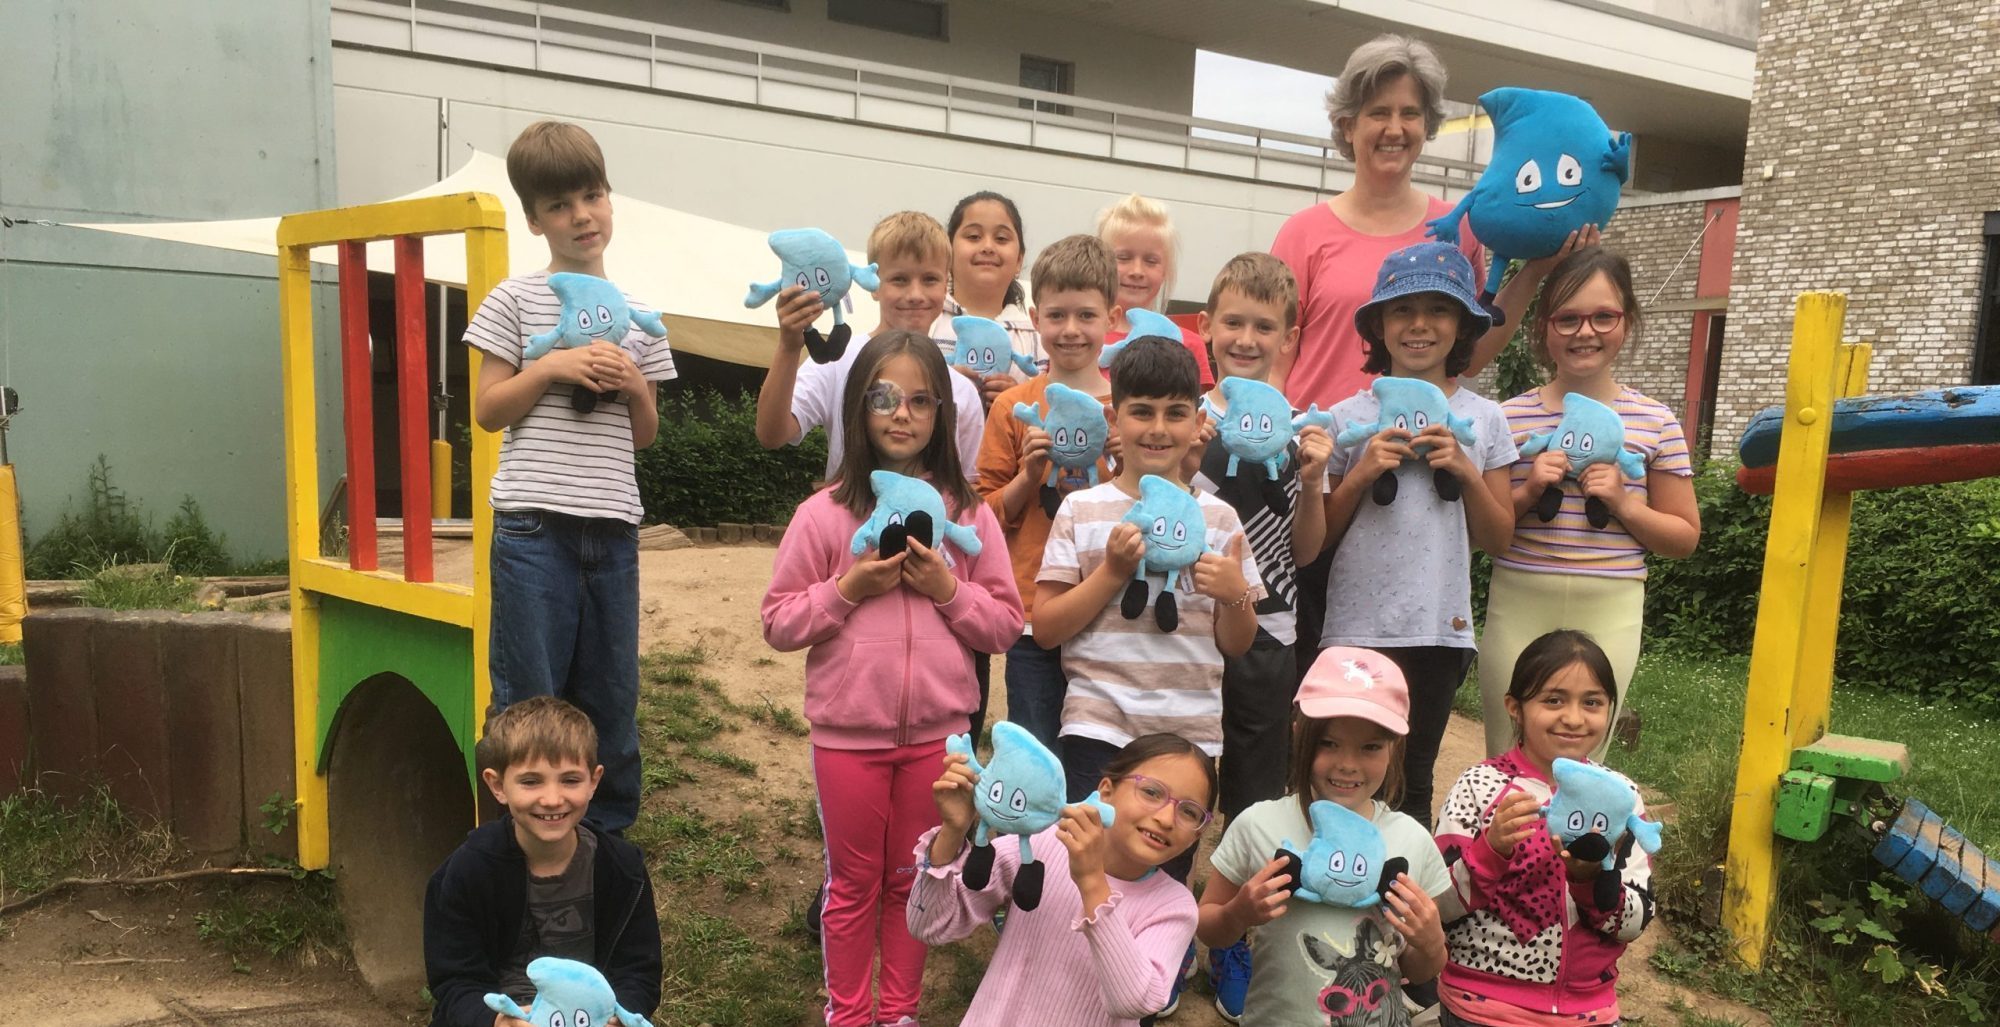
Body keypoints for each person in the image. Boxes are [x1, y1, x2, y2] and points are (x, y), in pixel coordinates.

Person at [1268, 34, 1591, 682]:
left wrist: (1538, 269)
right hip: (1325, 472)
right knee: (1308, 679)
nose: (1394, 128)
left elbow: (1469, 351)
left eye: (1409, 113)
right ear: (1347, 125)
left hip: (1418, 487)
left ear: (1427, 125)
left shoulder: (1459, 225)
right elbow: (1278, 356)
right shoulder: (1305, 232)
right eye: (1377, 112)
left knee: (1406, 676)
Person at [761, 331, 1024, 1027]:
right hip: (847, 739)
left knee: (915, 878)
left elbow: (1004, 624)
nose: (901, 414)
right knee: (852, 884)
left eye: (919, 400)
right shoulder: (823, 514)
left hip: (940, 740)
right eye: (882, 397)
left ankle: (899, 1013)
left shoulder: (967, 515)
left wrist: (948, 589)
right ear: (857, 406)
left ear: (942, 412)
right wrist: (846, 589)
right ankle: (848, 1015)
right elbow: (779, 622)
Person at [465, 120, 677, 834]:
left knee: (612, 698)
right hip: (534, 529)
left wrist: (635, 385)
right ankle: (512, 848)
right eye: (560, 205)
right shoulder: (515, 300)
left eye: (592, 196)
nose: (582, 216)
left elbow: (644, 434)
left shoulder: (639, 318)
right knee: (528, 699)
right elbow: (488, 410)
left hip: (613, 530)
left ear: (610, 199)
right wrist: (551, 366)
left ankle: (603, 849)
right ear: (535, 219)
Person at [1321, 242, 1516, 827]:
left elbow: (1499, 538)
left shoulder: (1484, 419)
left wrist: (1465, 470)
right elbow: (1319, 537)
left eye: (1439, 309)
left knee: (1413, 778)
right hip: (1354, 626)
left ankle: (1404, 882)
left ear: (1463, 326)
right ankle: (1331, 872)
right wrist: (1361, 473)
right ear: (1378, 325)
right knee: (1340, 774)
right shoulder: (1347, 417)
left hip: (1439, 629)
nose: (1420, 324)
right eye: (1402, 309)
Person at [1477, 248, 1701, 758]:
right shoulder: (1506, 418)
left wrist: (1624, 503)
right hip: (1519, 595)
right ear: (1542, 327)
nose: (1585, 332)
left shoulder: (1655, 421)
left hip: (1611, 601)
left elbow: (1684, 537)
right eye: (1568, 318)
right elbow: (1484, 532)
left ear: (1627, 321)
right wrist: (1529, 491)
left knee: (1583, 758)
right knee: (1506, 754)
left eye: (1603, 316)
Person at [1198, 647, 1451, 1024]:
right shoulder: (1259, 824)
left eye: (1370, 747)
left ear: (1394, 748)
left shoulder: (1412, 841)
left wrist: (1430, 943)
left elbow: (1421, 970)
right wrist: (1238, 914)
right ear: (1299, 733)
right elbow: (1206, 925)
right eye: (1328, 743)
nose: (1347, 764)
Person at [908, 734, 1216, 1027]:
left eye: (1189, 812)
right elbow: (928, 926)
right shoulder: (1042, 845)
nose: (1166, 819)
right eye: (1151, 792)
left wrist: (1092, 882)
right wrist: (952, 832)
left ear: (1198, 834)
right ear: (1106, 791)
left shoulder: (1174, 908)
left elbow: (1134, 1001)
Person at [1434, 630, 1658, 1027]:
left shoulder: (1621, 799)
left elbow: (1633, 924)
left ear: (1610, 709)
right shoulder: (1479, 787)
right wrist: (1491, 851)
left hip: (1587, 1012)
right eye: (1553, 700)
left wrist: (1591, 880)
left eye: (1592, 702)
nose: (1573, 718)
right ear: (1515, 707)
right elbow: (1438, 906)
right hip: (1481, 1007)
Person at [1187, 252, 1328, 818]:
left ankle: (1244, 872)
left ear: (1288, 338)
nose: (1246, 339)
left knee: (1257, 792)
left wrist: (1313, 483)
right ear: (1206, 326)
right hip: (1188, 621)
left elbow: (1306, 553)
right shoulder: (1182, 419)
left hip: (1271, 626)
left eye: (1264, 327)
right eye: (1233, 322)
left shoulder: (1299, 431)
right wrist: (1185, 461)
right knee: (1182, 770)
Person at [423, 696, 661, 1027]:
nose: (552, 799)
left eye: (570, 780)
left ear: (594, 782)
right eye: (531, 781)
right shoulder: (467, 871)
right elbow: (455, 982)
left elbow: (639, 972)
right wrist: (494, 1021)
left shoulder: (622, 869)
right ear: (498, 785)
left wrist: (619, 1015)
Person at [977, 233, 1120, 751]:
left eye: (1086, 315)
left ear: (1112, 318)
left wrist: (1125, 462)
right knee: (1037, 753)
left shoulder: (1130, 411)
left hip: (1113, 616)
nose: (1071, 330)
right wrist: (1027, 476)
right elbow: (982, 518)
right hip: (1033, 616)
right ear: (1036, 318)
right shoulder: (1014, 407)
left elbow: (1158, 498)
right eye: (1057, 315)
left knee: (1100, 761)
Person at [753, 210, 985, 481]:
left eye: (930, 279)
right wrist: (789, 346)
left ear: (946, 286)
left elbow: (968, 488)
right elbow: (772, 434)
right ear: (873, 284)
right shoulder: (837, 360)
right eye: (899, 279)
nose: (915, 294)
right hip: (846, 510)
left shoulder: (961, 391)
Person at [932, 191, 1042, 408]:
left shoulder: (1037, 336)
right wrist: (940, 385)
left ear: (1019, 261)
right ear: (948, 252)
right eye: (973, 236)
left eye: (1001, 239)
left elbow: (1049, 408)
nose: (988, 247)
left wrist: (1018, 400)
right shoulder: (928, 320)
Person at [1096, 193, 1214, 387]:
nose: (1137, 271)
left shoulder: (1187, 343)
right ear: (1101, 263)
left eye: (1151, 261)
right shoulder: (1084, 337)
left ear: (1166, 270)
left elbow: (1199, 406)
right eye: (1123, 258)